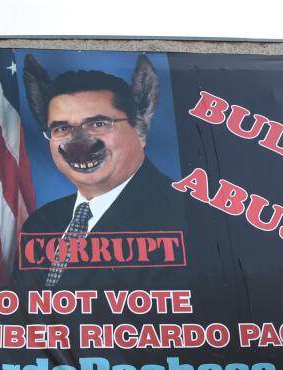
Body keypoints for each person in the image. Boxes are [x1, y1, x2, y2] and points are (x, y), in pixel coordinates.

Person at [15, 54, 191, 289]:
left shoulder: (184, 218)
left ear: (140, 128)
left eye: (98, 124)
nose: (76, 145)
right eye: (62, 128)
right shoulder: (40, 224)